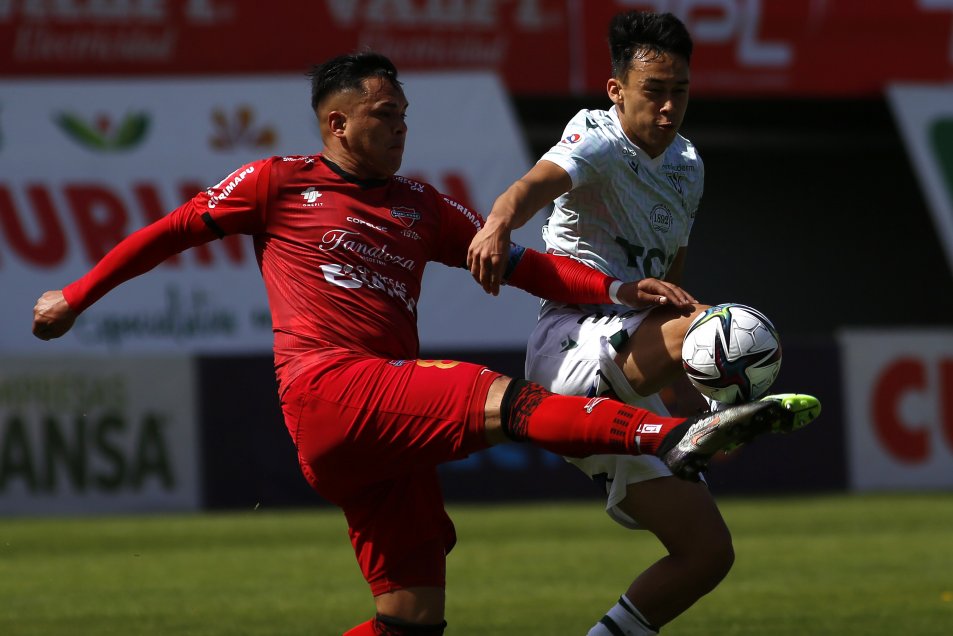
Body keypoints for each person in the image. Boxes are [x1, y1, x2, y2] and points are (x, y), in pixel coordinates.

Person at [32, 52, 819, 636]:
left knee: (410, 619)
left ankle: (675, 435)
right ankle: (676, 435)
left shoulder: (417, 205)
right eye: (384, 114)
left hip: (379, 438)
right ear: (336, 123)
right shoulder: (279, 182)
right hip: (330, 389)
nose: (401, 126)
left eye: (405, 113)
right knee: (507, 400)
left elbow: (528, 267)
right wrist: (75, 296)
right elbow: (168, 233)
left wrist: (619, 289)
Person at [467, 11, 820, 636]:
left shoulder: (688, 166)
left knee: (708, 554)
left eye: (678, 91)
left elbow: (672, 291)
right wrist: (497, 225)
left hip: (629, 366)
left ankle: (695, 427)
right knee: (726, 325)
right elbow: (528, 188)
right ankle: (709, 420)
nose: (666, 106)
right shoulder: (598, 137)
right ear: (617, 90)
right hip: (571, 346)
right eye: (652, 90)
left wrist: (688, 383)